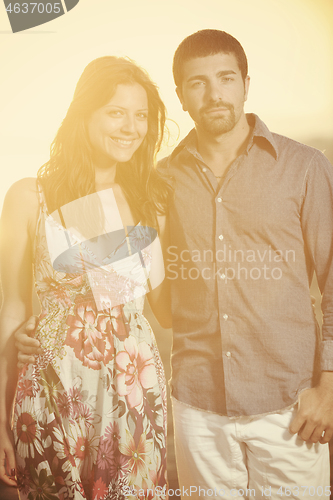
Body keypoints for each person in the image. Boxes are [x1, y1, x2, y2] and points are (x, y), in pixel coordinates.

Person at [15, 29, 333, 499]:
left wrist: (327, 384)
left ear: (246, 82)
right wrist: (49, 322)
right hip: (194, 409)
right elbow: (138, 295)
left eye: (226, 78)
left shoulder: (304, 166)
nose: (215, 93)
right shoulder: (158, 183)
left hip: (289, 406)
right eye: (197, 83)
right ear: (182, 96)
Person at [0, 56, 172, 500]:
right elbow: (13, 307)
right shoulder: (28, 196)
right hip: (53, 386)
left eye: (141, 116)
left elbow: (163, 309)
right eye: (116, 112)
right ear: (84, 113)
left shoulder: (148, 201)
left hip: (136, 386)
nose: (131, 127)